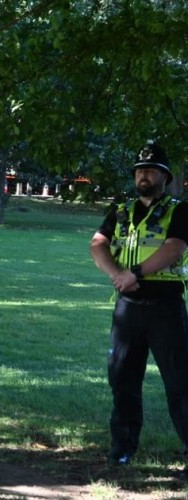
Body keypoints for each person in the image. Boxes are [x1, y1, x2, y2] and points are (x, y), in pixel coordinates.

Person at [89, 140, 188, 468]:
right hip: (128, 307)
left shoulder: (180, 209)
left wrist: (135, 273)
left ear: (165, 176)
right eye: (140, 171)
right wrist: (119, 274)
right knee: (123, 379)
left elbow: (174, 247)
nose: (144, 175)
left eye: (151, 170)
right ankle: (122, 447)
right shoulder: (120, 211)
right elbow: (98, 245)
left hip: (165, 307)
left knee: (180, 381)